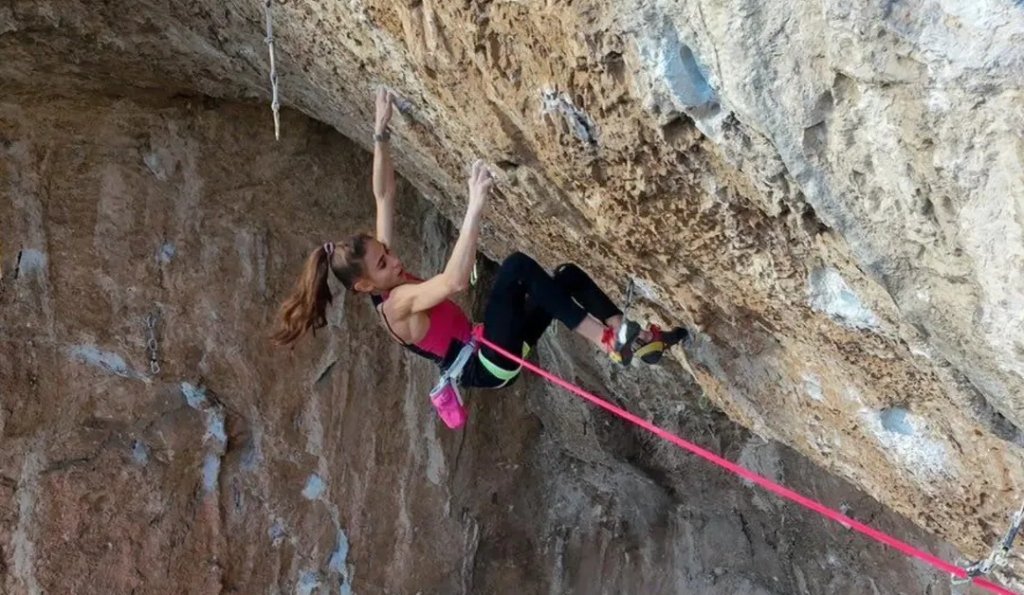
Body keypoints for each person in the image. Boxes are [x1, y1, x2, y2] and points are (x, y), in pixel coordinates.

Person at [272, 89, 687, 389]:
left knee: (566, 278)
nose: (394, 260)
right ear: (364, 286)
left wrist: (380, 134)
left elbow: (384, 195)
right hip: (487, 363)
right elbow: (454, 281)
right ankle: (609, 342)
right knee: (516, 267)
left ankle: (632, 337)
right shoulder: (397, 304)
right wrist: (474, 206)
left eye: (387, 253)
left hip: (495, 345)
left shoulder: (382, 277)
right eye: (383, 263)